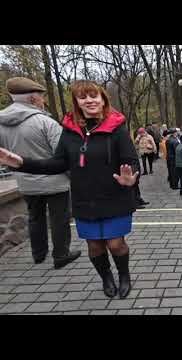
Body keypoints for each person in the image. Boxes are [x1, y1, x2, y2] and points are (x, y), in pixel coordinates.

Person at [0, 80, 140, 299]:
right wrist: (21, 162)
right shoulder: (70, 131)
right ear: (77, 102)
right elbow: (57, 164)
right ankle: (106, 278)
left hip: (115, 197)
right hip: (85, 200)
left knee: (116, 244)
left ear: (103, 99)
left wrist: (129, 178)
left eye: (94, 96)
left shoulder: (117, 127)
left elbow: (131, 161)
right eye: (83, 97)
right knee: (94, 247)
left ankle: (124, 276)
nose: (90, 101)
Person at [0, 77, 81, 268]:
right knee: (59, 218)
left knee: (34, 217)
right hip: (54, 181)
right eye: (41, 97)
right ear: (32, 99)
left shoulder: (2, 122)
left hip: (25, 181)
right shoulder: (45, 122)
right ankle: (61, 254)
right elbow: (63, 154)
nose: (43, 101)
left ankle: (38, 254)